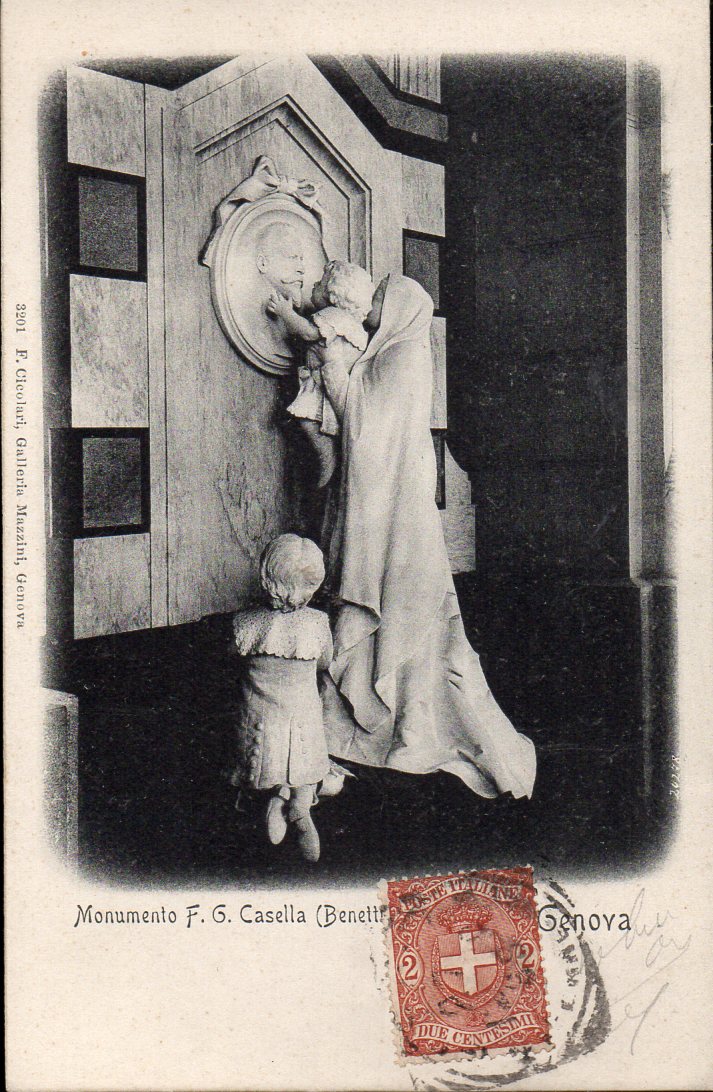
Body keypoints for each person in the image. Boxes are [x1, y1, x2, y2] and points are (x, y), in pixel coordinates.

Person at [319, 274, 537, 800]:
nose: (371, 305)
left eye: (379, 299)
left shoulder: (400, 358)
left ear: (399, 309)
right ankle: (399, 724)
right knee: (410, 613)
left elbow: (363, 431)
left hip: (395, 514)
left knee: (406, 609)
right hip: (394, 508)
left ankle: (406, 728)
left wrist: (332, 367)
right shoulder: (398, 353)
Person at [230, 534, 343, 862]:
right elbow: (325, 663)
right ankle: (298, 807)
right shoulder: (317, 623)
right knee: (309, 768)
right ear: (312, 584)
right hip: (303, 727)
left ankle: (276, 800)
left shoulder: (244, 622)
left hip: (257, 731)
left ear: (266, 576)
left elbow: (233, 658)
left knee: (266, 768)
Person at [267, 259, 374, 488]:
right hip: (329, 390)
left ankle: (324, 475)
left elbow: (308, 333)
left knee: (312, 431)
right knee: (317, 437)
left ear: (333, 293)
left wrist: (285, 312)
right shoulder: (352, 324)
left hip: (323, 391)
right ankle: (326, 473)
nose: (314, 285)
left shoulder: (333, 315)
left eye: (320, 283)